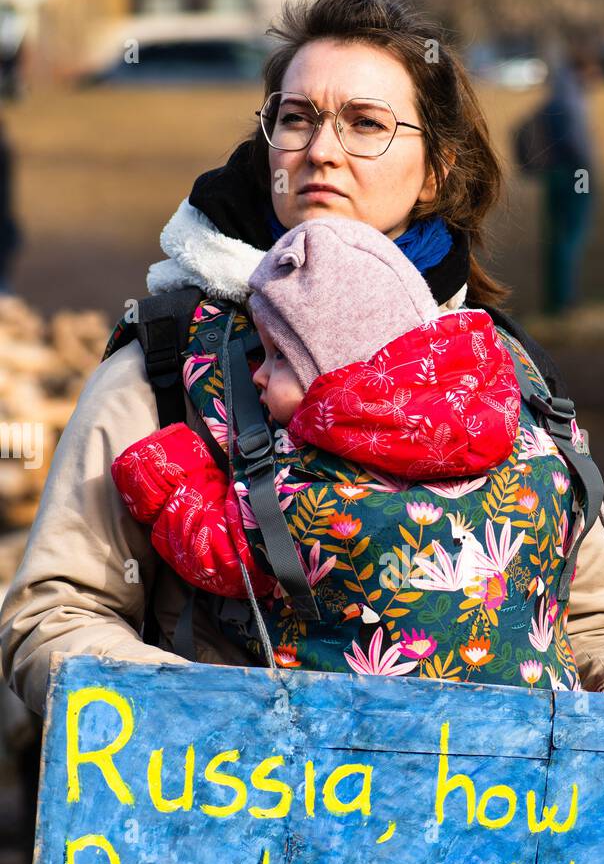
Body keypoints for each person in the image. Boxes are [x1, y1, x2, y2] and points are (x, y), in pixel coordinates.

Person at [0, 0, 604, 864]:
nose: (322, 148)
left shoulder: (509, 376)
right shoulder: (163, 358)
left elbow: (594, 616)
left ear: (438, 167)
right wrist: (191, 729)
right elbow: (53, 608)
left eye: (368, 123)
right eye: (295, 117)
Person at [111, 214, 521, 606]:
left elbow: (228, 557)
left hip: (367, 678)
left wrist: (168, 474)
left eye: (279, 358)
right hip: (525, 676)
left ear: (333, 367)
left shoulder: (316, 477)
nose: (259, 374)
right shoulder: (507, 430)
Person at [538, 32, 600, 316]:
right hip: (574, 173)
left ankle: (558, 298)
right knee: (571, 236)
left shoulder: (559, 92)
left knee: (560, 237)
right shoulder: (571, 98)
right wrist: (588, 168)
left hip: (559, 172)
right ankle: (565, 300)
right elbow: (575, 141)